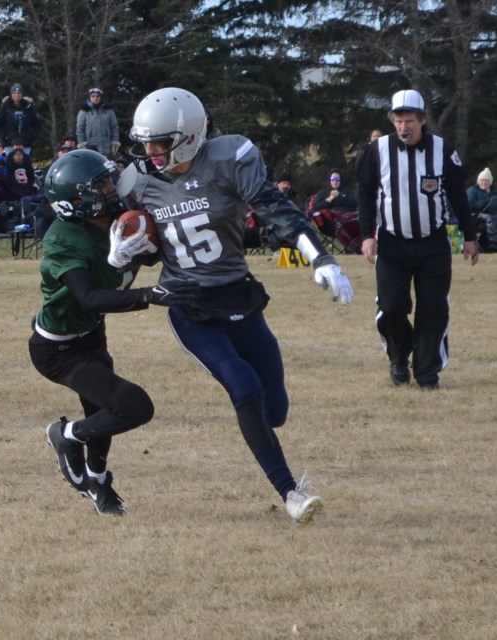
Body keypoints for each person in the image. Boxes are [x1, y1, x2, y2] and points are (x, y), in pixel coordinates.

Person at [113, 87, 353, 524]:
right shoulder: (137, 184)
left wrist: (319, 256)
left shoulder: (228, 159)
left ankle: (267, 441)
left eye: (158, 143)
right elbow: (137, 256)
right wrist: (119, 261)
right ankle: (291, 494)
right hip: (189, 304)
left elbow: (274, 208)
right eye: (145, 143)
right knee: (243, 386)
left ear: (187, 137)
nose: (149, 152)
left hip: (238, 293)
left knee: (274, 409)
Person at [32, 149, 200, 516]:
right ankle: (64, 435)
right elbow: (89, 297)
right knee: (133, 405)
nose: (110, 189)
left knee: (104, 413)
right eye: (100, 185)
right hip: (58, 350)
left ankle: (99, 483)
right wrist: (148, 295)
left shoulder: (117, 217)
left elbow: (150, 250)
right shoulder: (63, 238)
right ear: (74, 201)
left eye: (108, 179)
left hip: (91, 336)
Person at [357, 89, 479, 391]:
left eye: (409, 120)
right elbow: (365, 194)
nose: (403, 127)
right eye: (398, 120)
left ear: (422, 120)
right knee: (392, 306)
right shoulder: (377, 150)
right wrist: (365, 236)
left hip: (432, 244)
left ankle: (427, 374)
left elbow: (457, 196)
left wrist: (469, 236)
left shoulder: (442, 149)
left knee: (433, 307)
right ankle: (399, 357)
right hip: (392, 242)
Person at [308, 169, 361, 253]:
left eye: (337, 180)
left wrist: (340, 196)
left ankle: (352, 250)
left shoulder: (346, 191)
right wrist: (329, 199)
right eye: (333, 179)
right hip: (329, 224)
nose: (335, 182)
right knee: (340, 222)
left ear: (341, 180)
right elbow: (316, 208)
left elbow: (354, 204)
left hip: (348, 222)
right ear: (329, 180)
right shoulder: (323, 193)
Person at [0, 83, 40, 156]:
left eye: (18, 93)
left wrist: (32, 136)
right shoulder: (5, 107)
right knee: (11, 164)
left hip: (26, 143)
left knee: (25, 163)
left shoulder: (29, 107)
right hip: (9, 143)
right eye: (14, 93)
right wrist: (4, 137)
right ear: (11, 95)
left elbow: (37, 124)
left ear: (22, 94)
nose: (17, 95)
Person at [76, 87, 119, 158]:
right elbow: (80, 129)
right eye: (93, 96)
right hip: (90, 148)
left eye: (97, 96)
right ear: (90, 97)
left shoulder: (108, 111)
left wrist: (114, 142)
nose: (95, 98)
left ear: (100, 97)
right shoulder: (84, 111)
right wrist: (82, 144)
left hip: (106, 148)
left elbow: (114, 127)